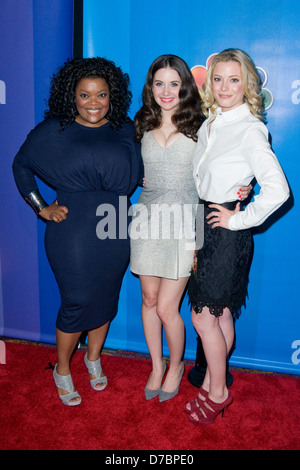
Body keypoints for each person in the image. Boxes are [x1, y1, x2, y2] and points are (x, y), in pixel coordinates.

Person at [13, 57, 143, 406]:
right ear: (71, 96)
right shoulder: (53, 130)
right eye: (84, 95)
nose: (94, 103)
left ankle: (93, 358)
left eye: (101, 95)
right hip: (73, 229)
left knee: (106, 299)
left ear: (112, 96)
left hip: (116, 221)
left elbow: (146, 167)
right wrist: (41, 206)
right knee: (77, 301)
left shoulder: (125, 129)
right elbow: (21, 165)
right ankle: (62, 369)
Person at [130, 54, 251, 402]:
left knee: (169, 307)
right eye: (159, 83)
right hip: (147, 218)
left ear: (185, 86)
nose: (166, 91)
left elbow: (232, 160)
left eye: (174, 83)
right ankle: (155, 364)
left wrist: (244, 187)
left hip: (186, 221)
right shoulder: (139, 123)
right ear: (150, 87)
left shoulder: (204, 124)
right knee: (149, 300)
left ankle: (176, 366)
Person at [185, 48, 289, 425]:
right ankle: (216, 379)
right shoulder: (211, 121)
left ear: (247, 85)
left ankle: (217, 393)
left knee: (203, 319)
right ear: (209, 83)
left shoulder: (249, 128)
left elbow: (279, 190)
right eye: (218, 79)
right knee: (221, 314)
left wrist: (238, 217)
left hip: (224, 233)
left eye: (234, 79)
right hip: (203, 222)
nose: (225, 87)